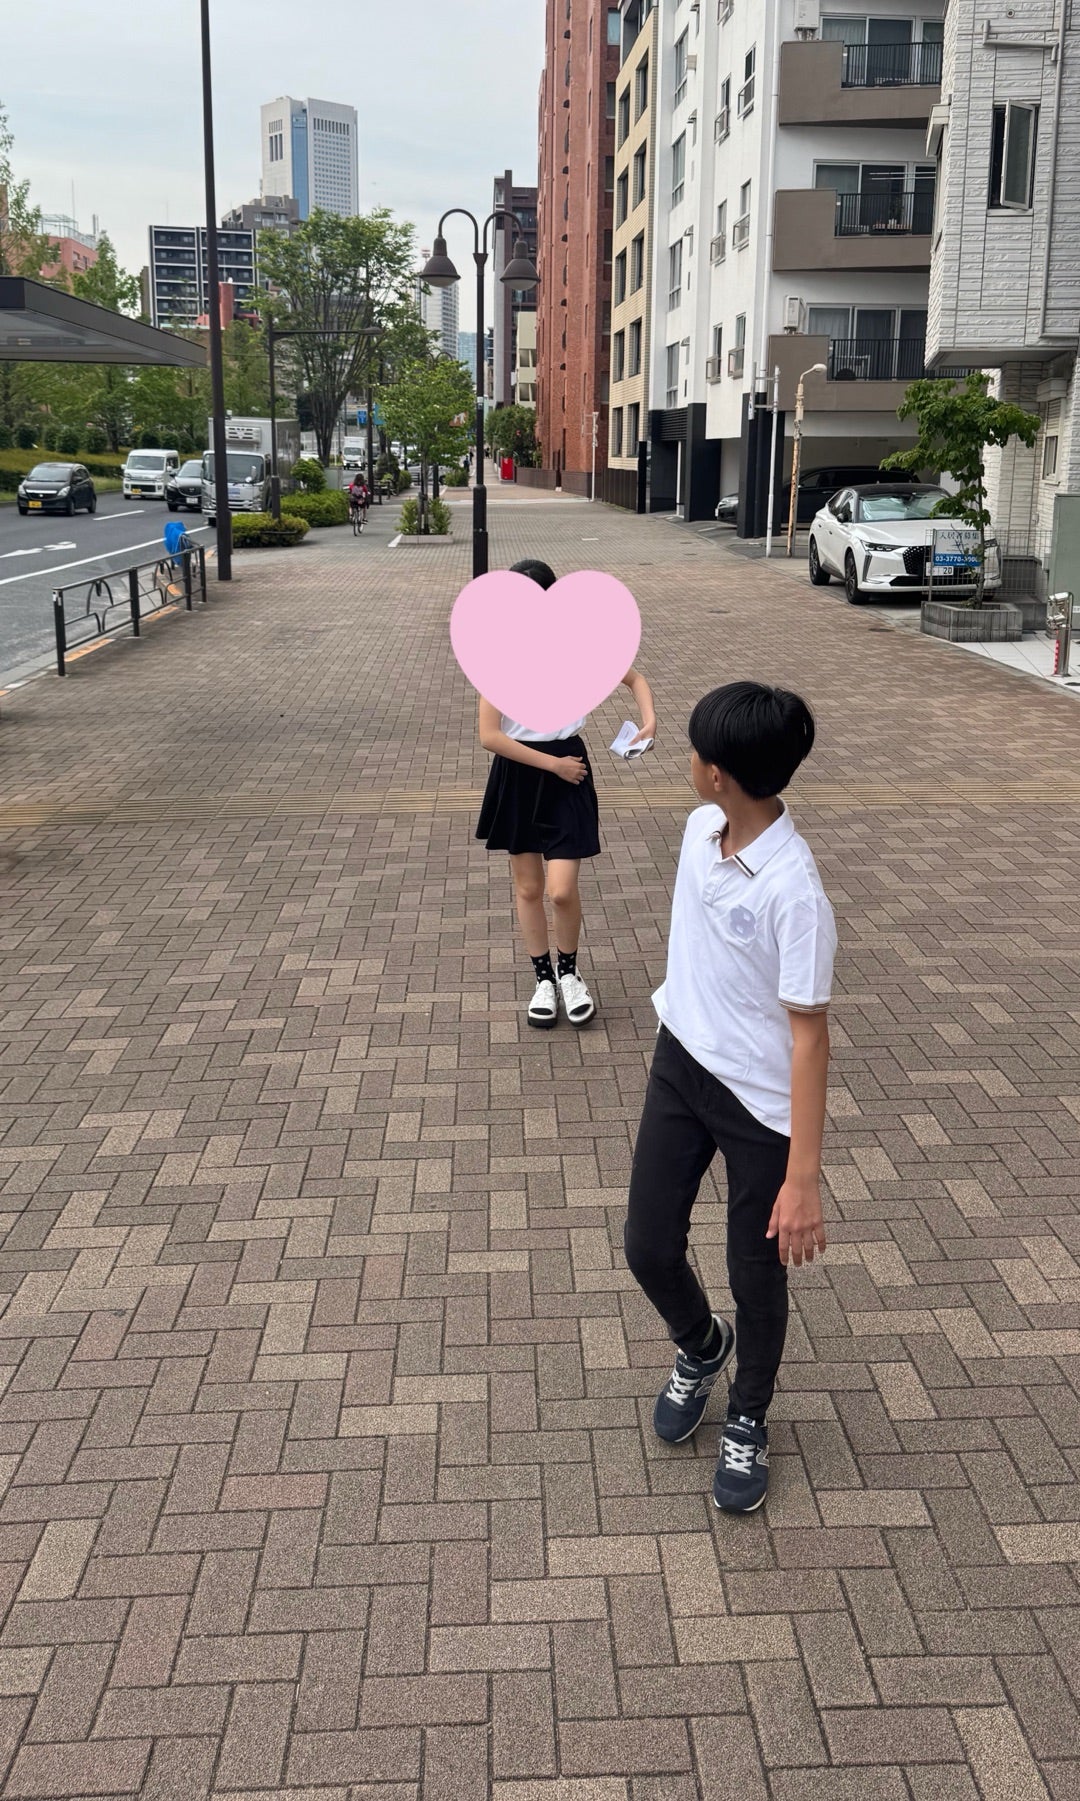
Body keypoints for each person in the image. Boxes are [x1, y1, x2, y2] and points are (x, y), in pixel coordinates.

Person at [624, 682, 836, 1514]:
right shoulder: (697, 829)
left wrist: (803, 1177)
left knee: (756, 1274)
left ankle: (749, 1414)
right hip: (681, 1061)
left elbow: (811, 1037)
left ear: (716, 773)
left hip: (761, 1106)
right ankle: (700, 1344)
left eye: (694, 750)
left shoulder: (795, 891)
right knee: (648, 1244)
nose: (688, 759)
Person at [476, 557, 656, 1030]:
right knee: (529, 888)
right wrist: (551, 765)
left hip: (569, 772)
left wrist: (650, 721)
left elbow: (635, 679)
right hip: (524, 773)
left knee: (560, 890)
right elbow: (490, 736)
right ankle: (543, 981)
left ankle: (570, 973)